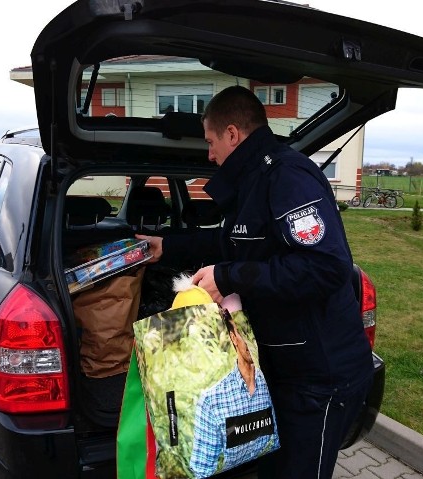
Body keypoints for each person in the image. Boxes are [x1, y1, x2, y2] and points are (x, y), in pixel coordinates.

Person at [137, 85, 373, 478]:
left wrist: (228, 275)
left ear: (233, 133)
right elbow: (231, 241)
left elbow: (325, 267)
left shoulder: (287, 177)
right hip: (282, 367)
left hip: (319, 377)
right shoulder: (253, 181)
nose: (208, 154)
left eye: (211, 142)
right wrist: (168, 246)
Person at [189, 311, 278, 478]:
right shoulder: (212, 399)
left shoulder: (265, 382)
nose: (250, 341)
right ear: (233, 337)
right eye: (242, 334)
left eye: (249, 332)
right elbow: (201, 469)